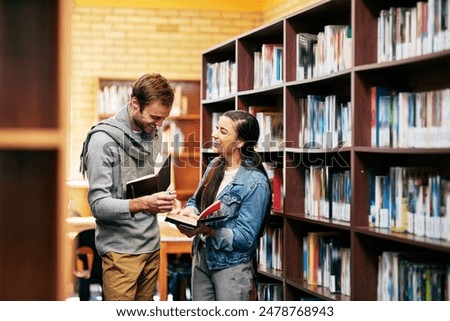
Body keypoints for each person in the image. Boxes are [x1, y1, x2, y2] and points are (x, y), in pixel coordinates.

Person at [79, 72, 178, 301]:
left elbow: (141, 183)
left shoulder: (151, 131)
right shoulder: (102, 141)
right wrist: (143, 203)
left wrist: (163, 196)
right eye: (155, 117)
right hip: (120, 251)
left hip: (151, 244)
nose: (160, 124)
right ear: (135, 104)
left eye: (164, 118)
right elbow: (98, 205)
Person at [173, 110, 272, 301]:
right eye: (217, 128)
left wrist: (209, 231)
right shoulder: (214, 167)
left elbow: (246, 239)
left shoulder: (256, 183)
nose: (214, 134)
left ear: (241, 142)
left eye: (223, 131)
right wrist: (188, 213)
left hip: (231, 268)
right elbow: (196, 201)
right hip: (202, 259)